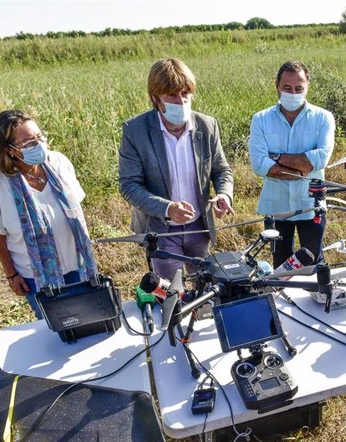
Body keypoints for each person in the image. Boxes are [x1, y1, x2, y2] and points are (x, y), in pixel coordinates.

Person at [119, 58, 234, 279]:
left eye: (185, 94)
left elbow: (221, 170)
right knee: (173, 292)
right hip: (161, 230)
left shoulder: (207, 125)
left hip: (199, 227)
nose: (180, 101)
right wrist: (167, 208)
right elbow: (129, 185)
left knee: (204, 285)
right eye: (171, 95)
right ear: (155, 97)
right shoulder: (136, 130)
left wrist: (224, 195)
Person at [0, 109, 97, 319]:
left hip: (77, 265)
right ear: (10, 150)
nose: (39, 145)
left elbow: (76, 209)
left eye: (39, 137)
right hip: (37, 276)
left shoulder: (59, 163)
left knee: (89, 318)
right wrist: (11, 274)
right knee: (58, 326)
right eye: (29, 143)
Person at [249, 60, 335, 268]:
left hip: (310, 204)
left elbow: (320, 159)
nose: (293, 93)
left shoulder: (323, 118)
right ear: (277, 87)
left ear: (307, 88)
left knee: (312, 260)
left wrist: (276, 157)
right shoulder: (261, 119)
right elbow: (260, 165)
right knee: (281, 263)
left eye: (299, 88)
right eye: (287, 88)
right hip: (276, 205)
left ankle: (315, 298)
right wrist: (303, 165)